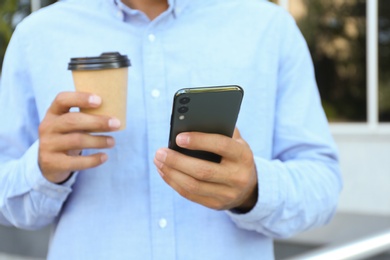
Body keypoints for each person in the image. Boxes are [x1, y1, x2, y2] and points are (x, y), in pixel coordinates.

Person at [0, 0, 342, 259]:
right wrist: (42, 171)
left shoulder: (270, 28)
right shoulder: (37, 36)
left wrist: (252, 189)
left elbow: (323, 186)